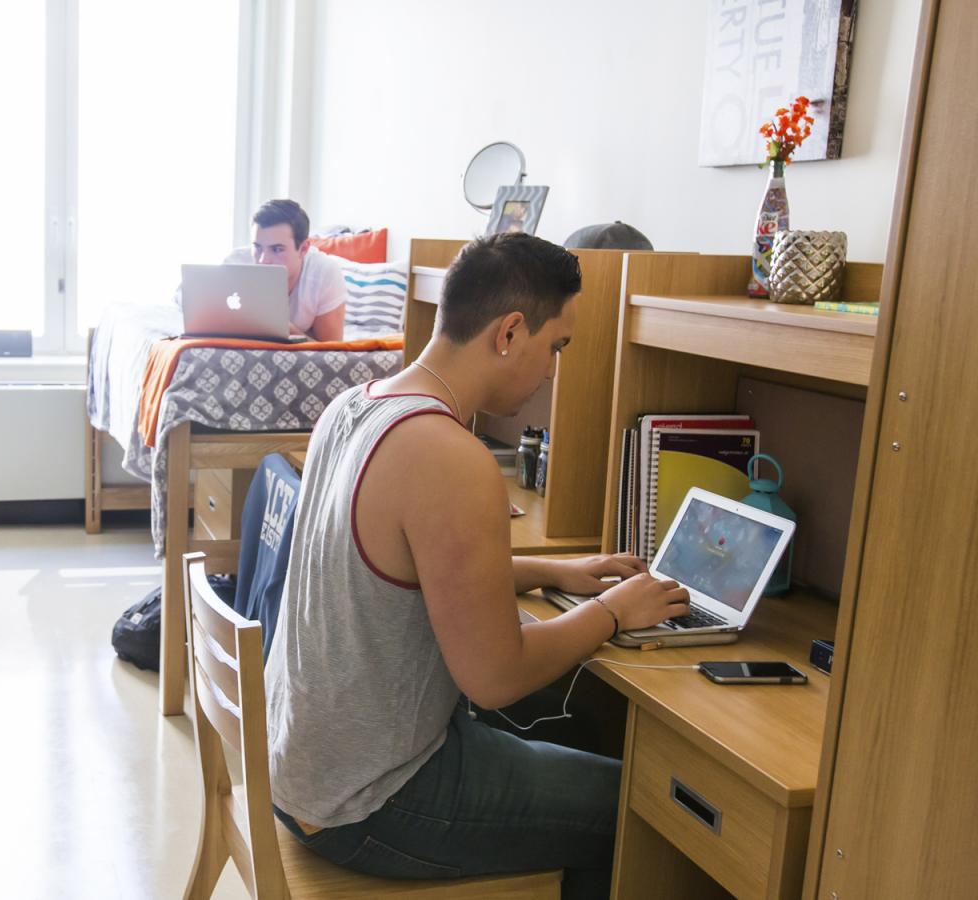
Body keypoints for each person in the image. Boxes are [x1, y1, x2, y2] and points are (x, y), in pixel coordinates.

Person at [264, 233, 692, 899]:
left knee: (581, 730)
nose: (553, 371)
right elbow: (496, 677)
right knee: (640, 809)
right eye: (556, 347)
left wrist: (551, 571)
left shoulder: (356, 407)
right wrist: (612, 612)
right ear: (510, 332)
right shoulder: (447, 456)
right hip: (371, 799)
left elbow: (394, 570)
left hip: (303, 769)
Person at [223, 199, 347, 341]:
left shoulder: (324, 273)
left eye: (277, 249)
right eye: (257, 247)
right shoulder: (234, 264)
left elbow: (332, 354)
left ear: (303, 249)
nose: (263, 260)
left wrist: (285, 329)